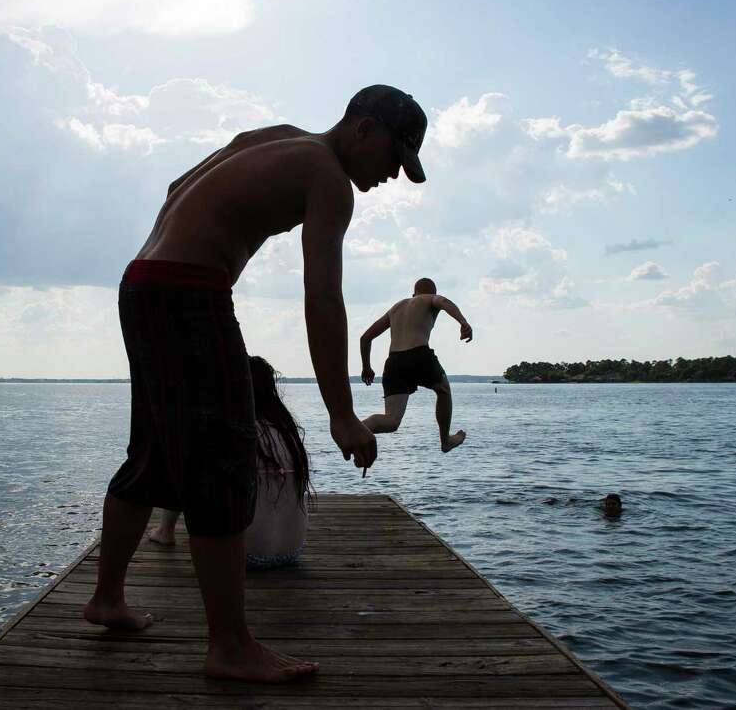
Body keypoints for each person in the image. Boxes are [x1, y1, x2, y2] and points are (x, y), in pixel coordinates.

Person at [83, 85, 429, 683]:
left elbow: (175, 188)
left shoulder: (277, 138)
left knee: (152, 451)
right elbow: (322, 298)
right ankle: (230, 646)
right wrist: (342, 413)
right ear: (364, 129)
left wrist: (200, 238)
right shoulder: (329, 178)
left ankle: (107, 597)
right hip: (189, 290)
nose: (393, 175)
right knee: (222, 458)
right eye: (395, 158)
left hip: (142, 281)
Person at [147, 355, 311, 569]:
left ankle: (165, 531)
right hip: (291, 552)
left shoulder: (231, 430)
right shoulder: (287, 432)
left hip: (243, 555)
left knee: (184, 464)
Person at [358, 277, 472, 453]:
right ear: (432, 293)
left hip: (394, 361)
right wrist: (463, 322)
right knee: (443, 390)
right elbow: (444, 301)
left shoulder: (396, 308)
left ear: (413, 293)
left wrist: (366, 367)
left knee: (392, 420)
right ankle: (445, 441)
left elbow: (365, 338)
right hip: (419, 355)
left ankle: (354, 430)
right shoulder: (429, 299)